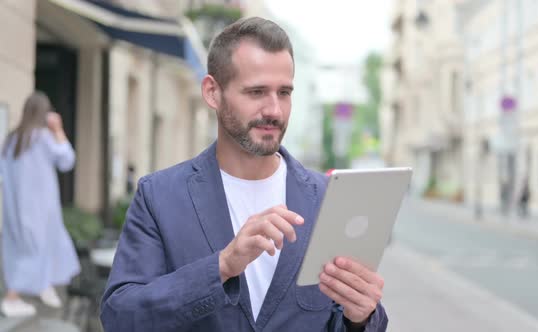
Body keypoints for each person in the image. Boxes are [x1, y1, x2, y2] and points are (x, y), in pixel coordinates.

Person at [100, 17, 388, 331]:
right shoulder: (159, 196)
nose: (274, 110)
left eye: (284, 92)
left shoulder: (329, 198)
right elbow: (119, 317)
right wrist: (221, 266)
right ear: (212, 92)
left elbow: (347, 318)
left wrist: (361, 318)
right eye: (256, 92)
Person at [0, 92, 79, 317]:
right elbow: (67, 160)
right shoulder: (43, 137)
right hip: (40, 210)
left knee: (24, 250)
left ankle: (43, 285)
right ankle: (11, 298)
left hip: (15, 210)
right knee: (36, 250)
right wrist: (58, 130)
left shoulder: (11, 139)